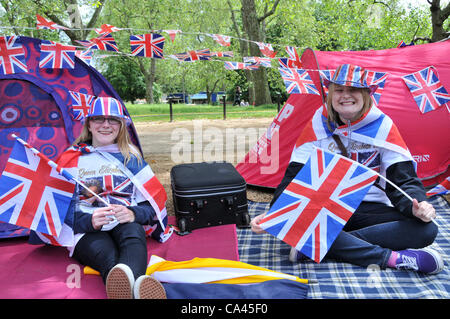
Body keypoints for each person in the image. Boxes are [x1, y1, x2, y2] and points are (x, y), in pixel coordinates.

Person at [250, 64, 443, 274]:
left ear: (366, 94)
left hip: (370, 209)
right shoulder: (318, 123)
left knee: (427, 229)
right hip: (325, 208)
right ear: (331, 94)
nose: (345, 96)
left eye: (353, 90)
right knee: (288, 221)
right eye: (339, 90)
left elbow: (403, 180)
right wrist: (274, 213)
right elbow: (294, 178)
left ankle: (316, 246)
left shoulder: (383, 125)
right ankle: (393, 259)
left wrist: (417, 204)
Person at [32, 96, 171, 298]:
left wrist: (132, 213)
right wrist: (88, 220)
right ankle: (138, 292)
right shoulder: (70, 158)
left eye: (113, 120)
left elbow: (153, 206)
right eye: (99, 119)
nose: (106, 125)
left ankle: (130, 290)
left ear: (121, 125)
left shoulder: (131, 158)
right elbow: (55, 210)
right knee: (109, 258)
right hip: (85, 230)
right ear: (89, 124)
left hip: (125, 223)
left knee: (133, 237)